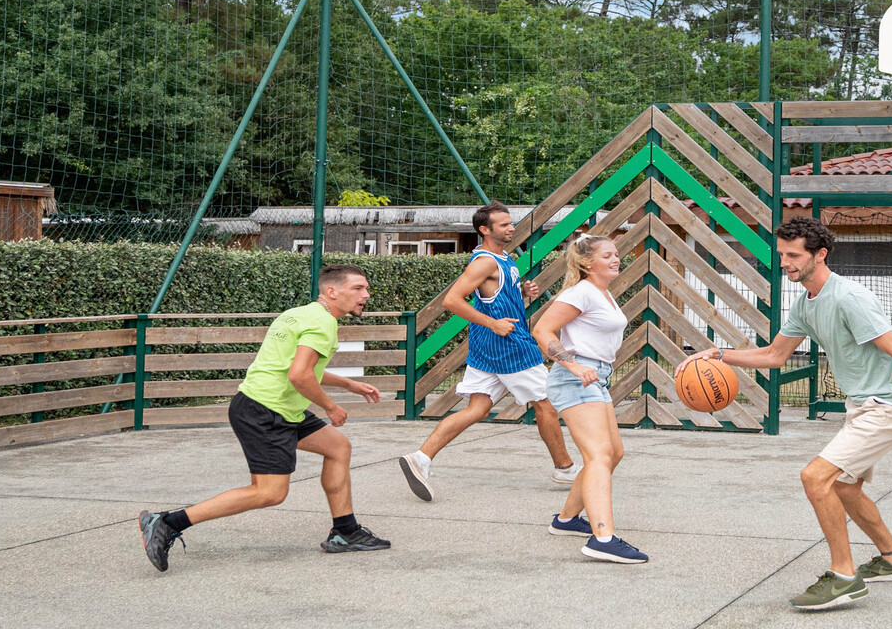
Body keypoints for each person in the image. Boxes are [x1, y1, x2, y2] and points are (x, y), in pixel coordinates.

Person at [685, 217, 892, 611]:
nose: (784, 262)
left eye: (793, 255)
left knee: (815, 477)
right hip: (862, 405)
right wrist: (719, 354)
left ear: (820, 254)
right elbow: (775, 355)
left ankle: (844, 576)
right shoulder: (805, 302)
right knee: (844, 487)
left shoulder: (849, 298)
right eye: (781, 254)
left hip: (888, 406)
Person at [138, 263, 389, 570]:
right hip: (266, 412)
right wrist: (331, 407)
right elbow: (299, 375)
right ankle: (167, 523)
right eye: (358, 288)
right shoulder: (323, 324)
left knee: (338, 447)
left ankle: (346, 531)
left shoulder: (299, 314)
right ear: (332, 291)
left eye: (366, 288)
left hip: (270, 407)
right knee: (269, 493)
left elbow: (294, 367)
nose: (366, 295)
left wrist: (348, 384)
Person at [397, 202, 577, 501]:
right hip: (510, 347)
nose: (511, 228)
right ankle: (565, 468)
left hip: (487, 347)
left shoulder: (504, 259)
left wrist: (521, 293)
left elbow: (493, 298)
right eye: (504, 225)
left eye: (511, 223)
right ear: (485, 229)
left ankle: (421, 457)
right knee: (545, 403)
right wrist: (493, 323)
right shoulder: (485, 262)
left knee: (477, 409)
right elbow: (452, 300)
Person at [530, 233, 648, 564]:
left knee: (613, 453)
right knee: (598, 455)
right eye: (607, 255)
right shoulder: (580, 291)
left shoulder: (602, 293)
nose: (616, 259)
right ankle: (603, 538)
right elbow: (541, 330)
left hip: (595, 376)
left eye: (616, 254)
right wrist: (573, 364)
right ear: (586, 262)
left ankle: (566, 520)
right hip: (575, 377)